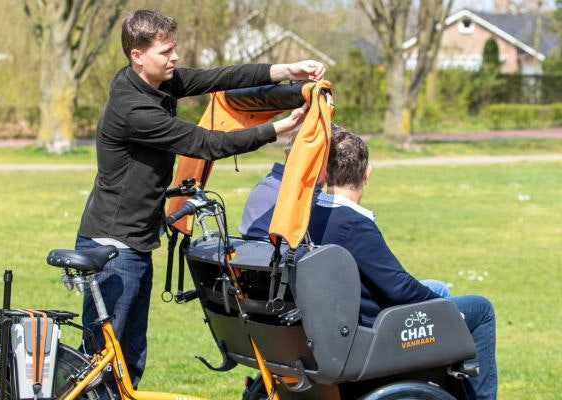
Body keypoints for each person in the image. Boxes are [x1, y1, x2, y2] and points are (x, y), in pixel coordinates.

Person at [74, 9, 326, 388]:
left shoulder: (151, 84)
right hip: (114, 246)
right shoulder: (134, 110)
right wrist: (275, 129)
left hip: (134, 243)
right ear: (137, 55)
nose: (174, 58)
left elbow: (219, 78)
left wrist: (287, 69)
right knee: (100, 365)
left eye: (174, 49)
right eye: (165, 52)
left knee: (129, 360)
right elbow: (206, 143)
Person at [307, 129, 497, 399]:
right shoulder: (353, 224)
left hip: (344, 316)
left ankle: (442, 378)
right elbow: (400, 288)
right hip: (374, 331)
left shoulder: (315, 214)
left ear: (325, 172)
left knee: (438, 288)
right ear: (367, 173)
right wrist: (443, 312)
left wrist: (436, 300)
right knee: (480, 309)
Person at [239, 124, 449, 297]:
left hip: (282, 298)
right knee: (440, 291)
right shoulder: (302, 205)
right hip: (318, 304)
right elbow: (397, 287)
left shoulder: (269, 188)